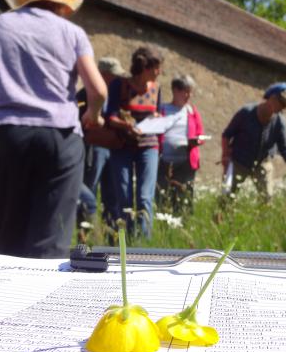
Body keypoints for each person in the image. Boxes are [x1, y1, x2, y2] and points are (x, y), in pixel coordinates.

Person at [0, 0, 106, 258]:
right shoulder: (71, 32)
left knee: (9, 242)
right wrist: (93, 114)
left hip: (4, 134)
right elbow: (97, 89)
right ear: (58, 4)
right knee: (51, 241)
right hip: (59, 135)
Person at [106, 46, 163, 238]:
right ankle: (126, 240)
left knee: (145, 196)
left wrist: (157, 118)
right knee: (125, 197)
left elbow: (159, 114)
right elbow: (110, 116)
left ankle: (144, 245)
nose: (159, 72)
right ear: (145, 68)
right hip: (122, 146)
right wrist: (126, 126)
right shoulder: (119, 85)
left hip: (149, 147)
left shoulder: (157, 88)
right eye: (156, 68)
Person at [221, 82, 286, 199]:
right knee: (227, 197)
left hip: (263, 163)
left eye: (285, 106)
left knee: (267, 198)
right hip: (239, 161)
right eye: (282, 104)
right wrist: (225, 156)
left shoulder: (279, 122)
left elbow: (285, 150)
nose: (283, 109)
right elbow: (227, 135)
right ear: (272, 98)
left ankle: (262, 217)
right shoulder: (246, 113)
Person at [76, 57, 126, 228]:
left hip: (111, 149)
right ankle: (85, 231)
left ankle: (111, 233)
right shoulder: (84, 95)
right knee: (90, 189)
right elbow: (81, 122)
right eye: (115, 76)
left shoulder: (116, 97)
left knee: (111, 194)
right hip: (92, 150)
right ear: (104, 75)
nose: (118, 79)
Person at [156, 74, 205, 213]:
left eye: (190, 91)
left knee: (184, 199)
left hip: (186, 164)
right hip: (163, 162)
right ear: (175, 90)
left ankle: (183, 225)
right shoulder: (162, 109)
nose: (189, 95)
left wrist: (197, 140)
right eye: (186, 91)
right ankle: (163, 225)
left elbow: (200, 133)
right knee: (162, 197)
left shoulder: (192, 111)